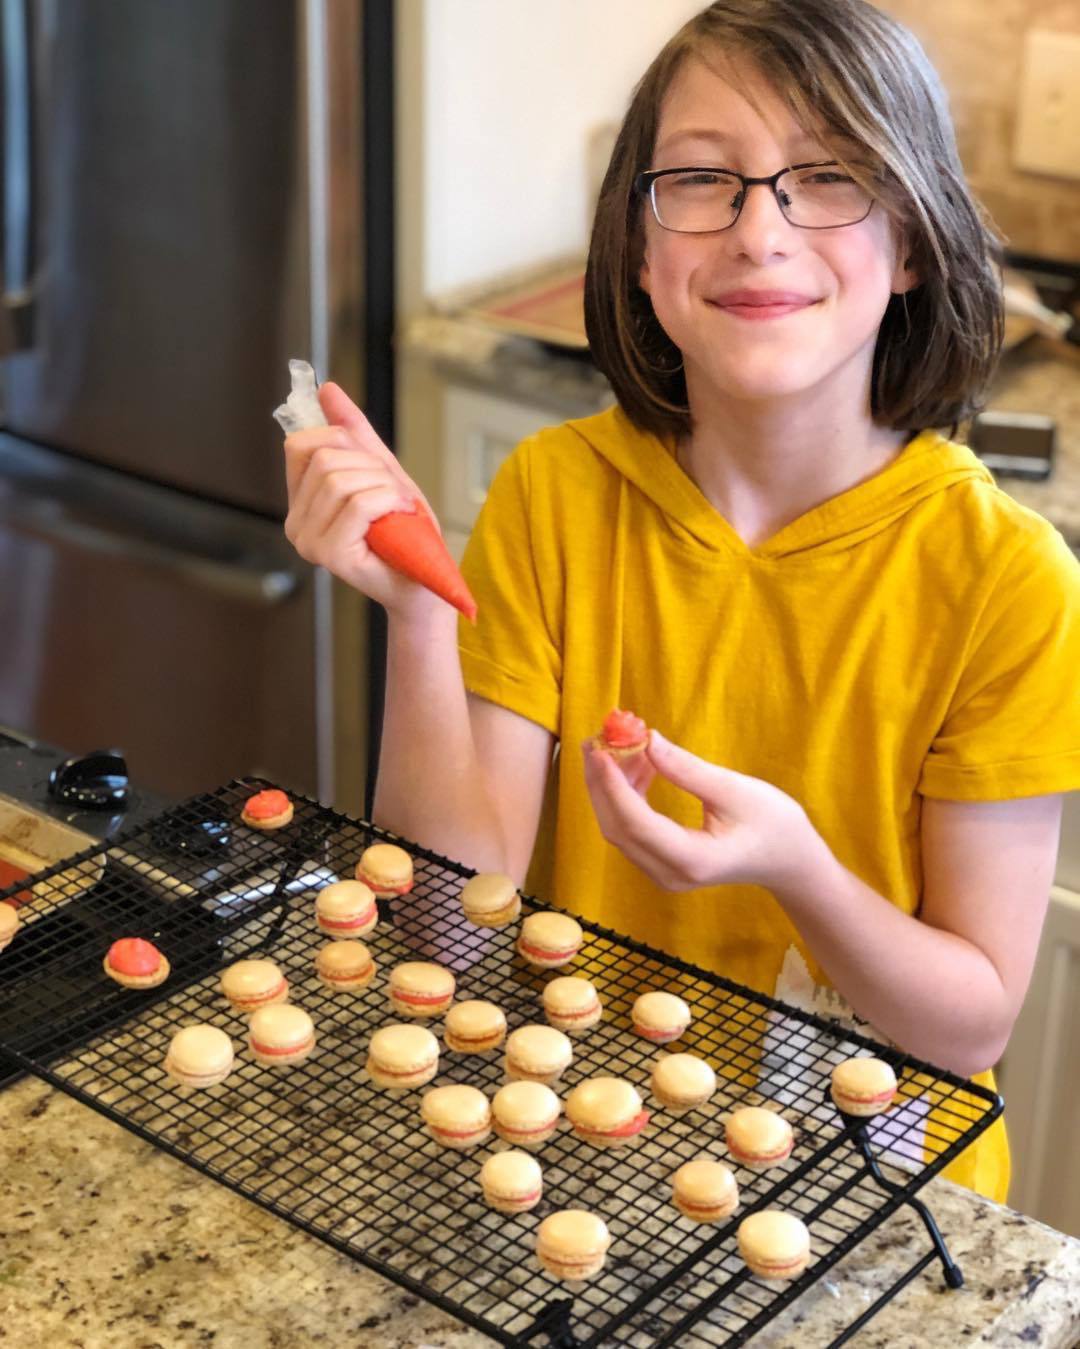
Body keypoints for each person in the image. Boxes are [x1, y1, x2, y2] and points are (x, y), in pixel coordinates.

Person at [281, 0, 1080, 1203]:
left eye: (830, 176)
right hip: (571, 1165)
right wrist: (423, 616)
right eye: (702, 179)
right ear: (640, 251)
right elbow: (447, 936)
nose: (761, 231)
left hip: (859, 1206)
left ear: (912, 243)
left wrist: (798, 868)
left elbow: (965, 1028)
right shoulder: (554, 498)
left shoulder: (1008, 583)